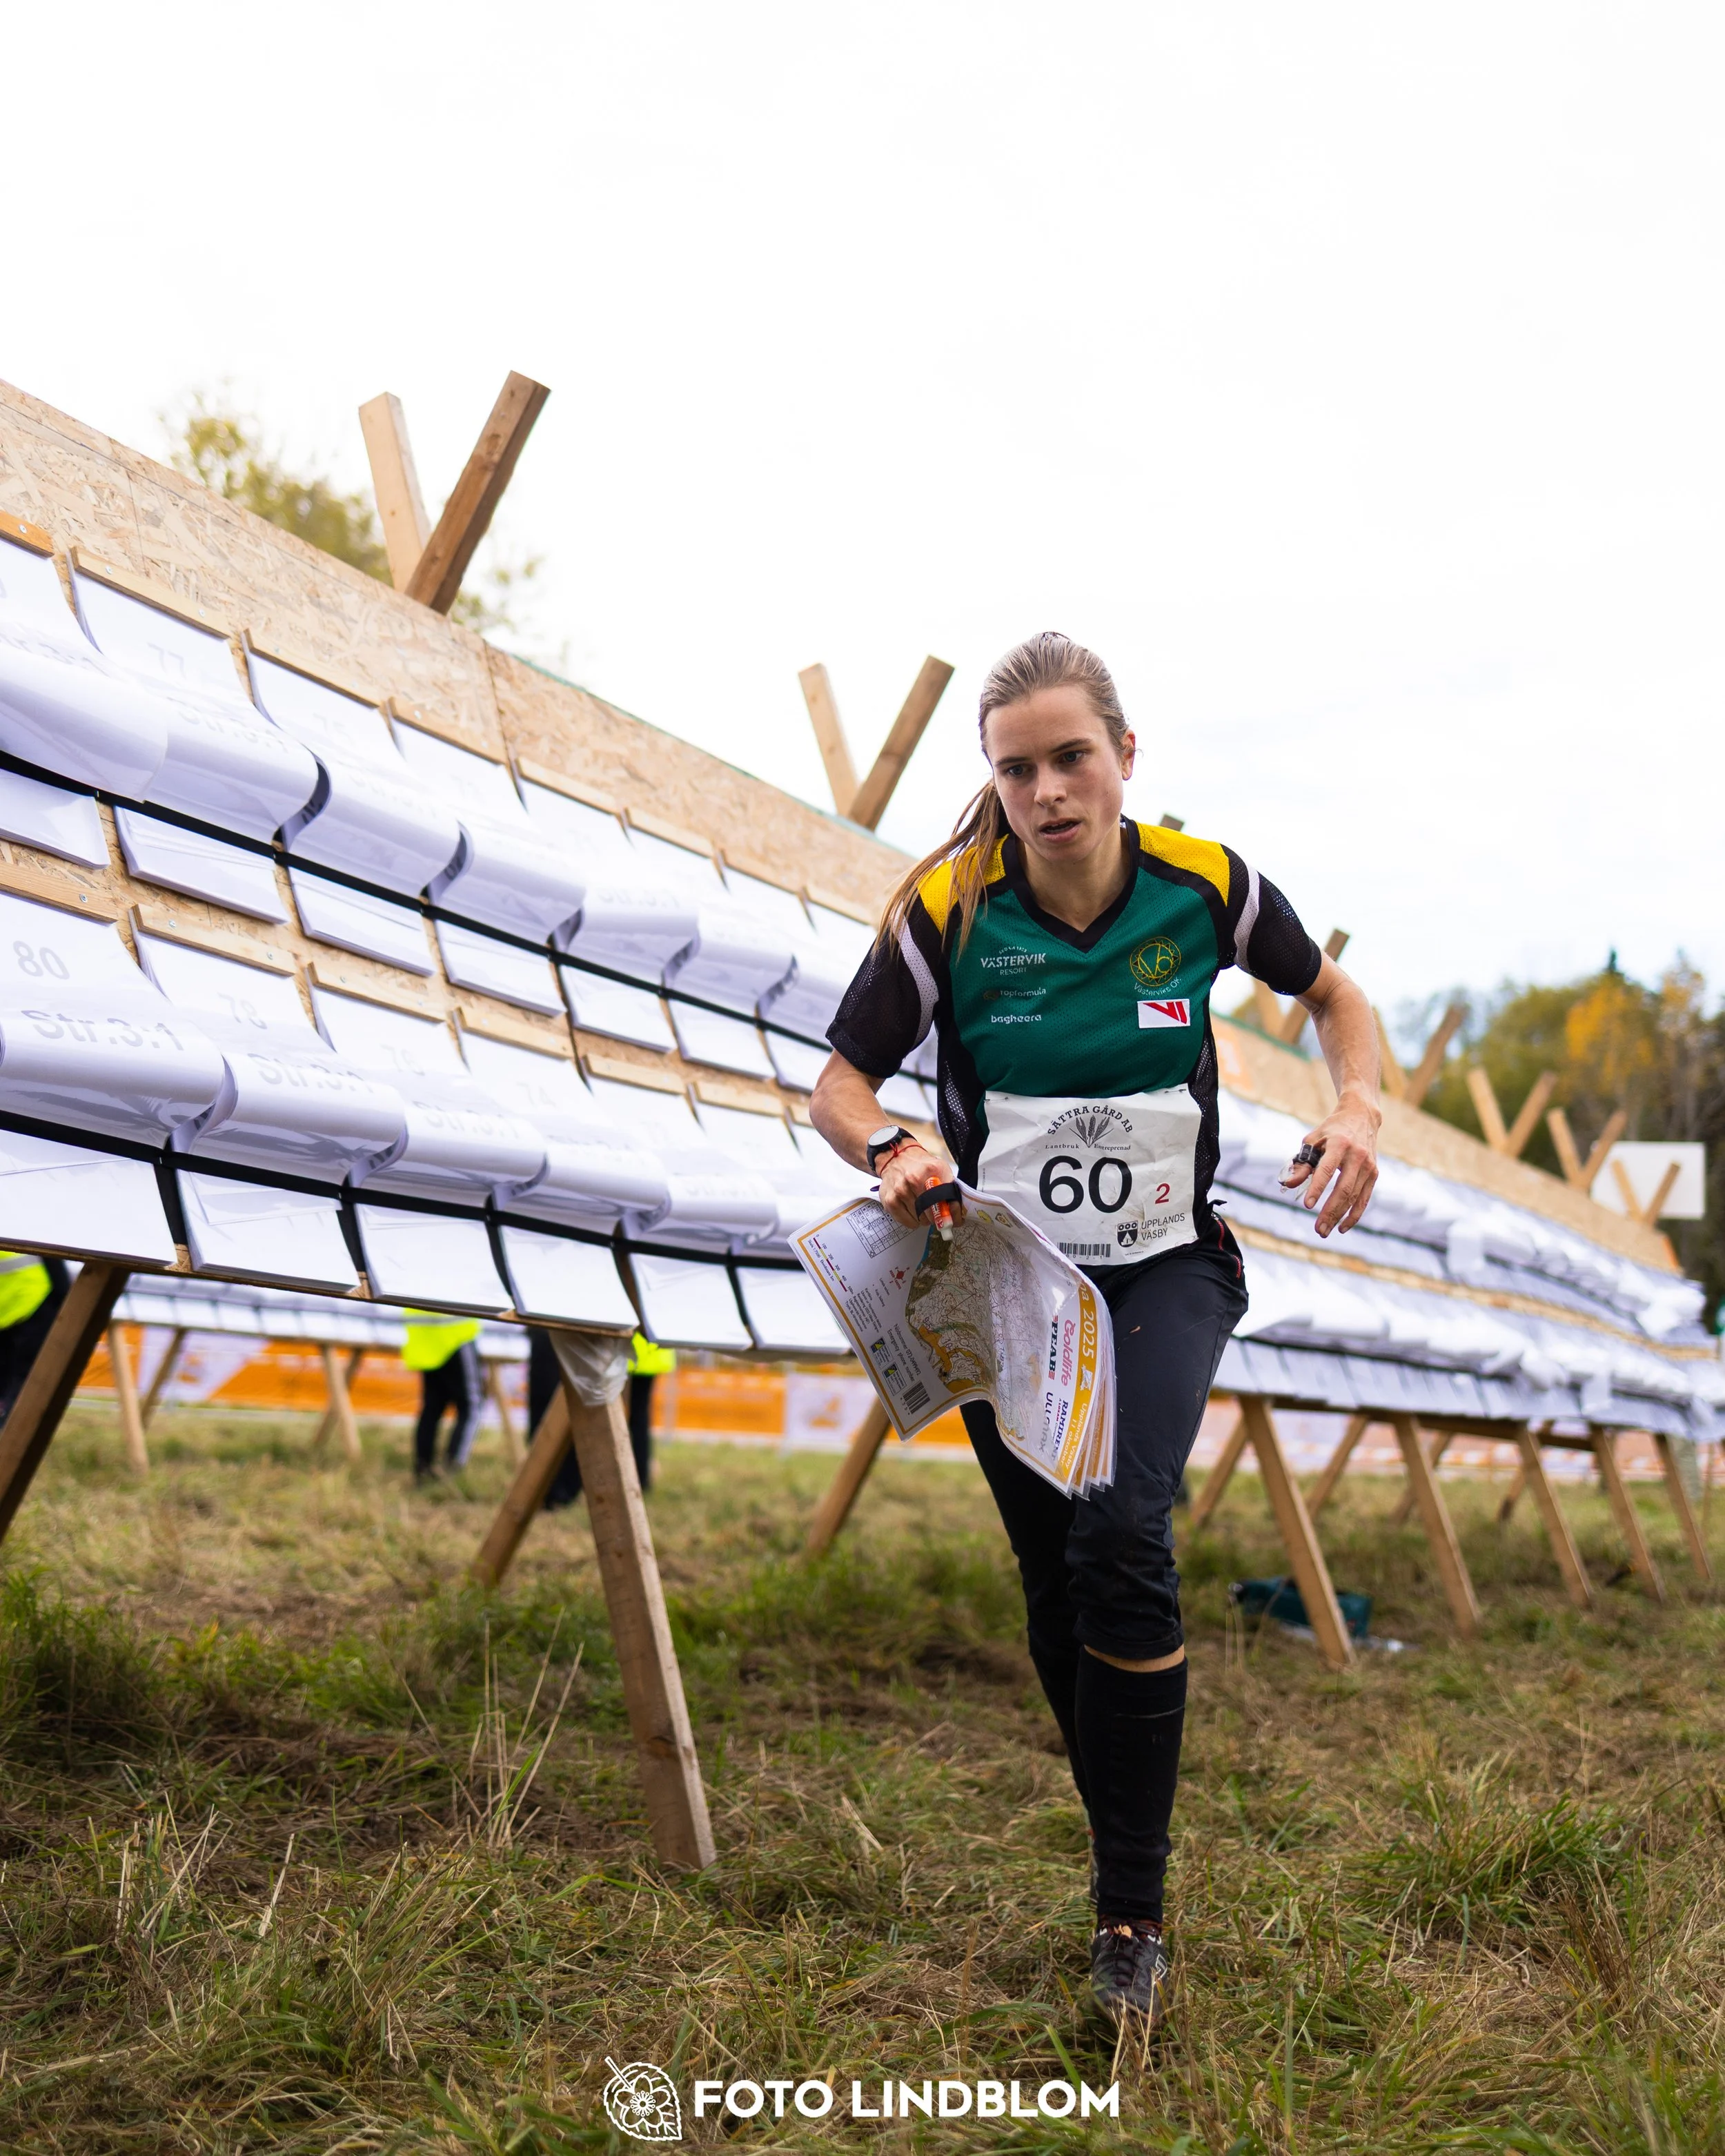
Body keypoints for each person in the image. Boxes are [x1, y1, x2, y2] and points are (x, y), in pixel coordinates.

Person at [809, 631, 1380, 2031]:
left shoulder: (1207, 886)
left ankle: (1130, 1910)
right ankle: (1128, 1819)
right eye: (1016, 768)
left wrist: (1354, 1105)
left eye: (1071, 756)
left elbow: (1337, 1001)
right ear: (994, 784)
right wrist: (885, 1143)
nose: (1048, 788)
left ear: (1125, 756)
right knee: (1058, 1581)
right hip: (1003, 1285)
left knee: (1124, 1533)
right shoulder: (947, 909)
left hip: (1169, 1270)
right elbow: (834, 1077)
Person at [540, 1327, 671, 1509]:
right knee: (637, 1418)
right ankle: (638, 1479)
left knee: (609, 1419)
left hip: (618, 1352)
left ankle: (617, 1482)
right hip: (647, 1351)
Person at [403, 1308, 484, 1482]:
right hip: (454, 1336)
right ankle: (451, 1472)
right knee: (471, 1408)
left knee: (432, 1408)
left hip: (426, 1339)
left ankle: (423, 1470)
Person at [0, 1251, 68, 1421]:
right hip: (29, 1302)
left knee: (19, 1378)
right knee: (24, 1379)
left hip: (30, 1301)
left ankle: (12, 1429)